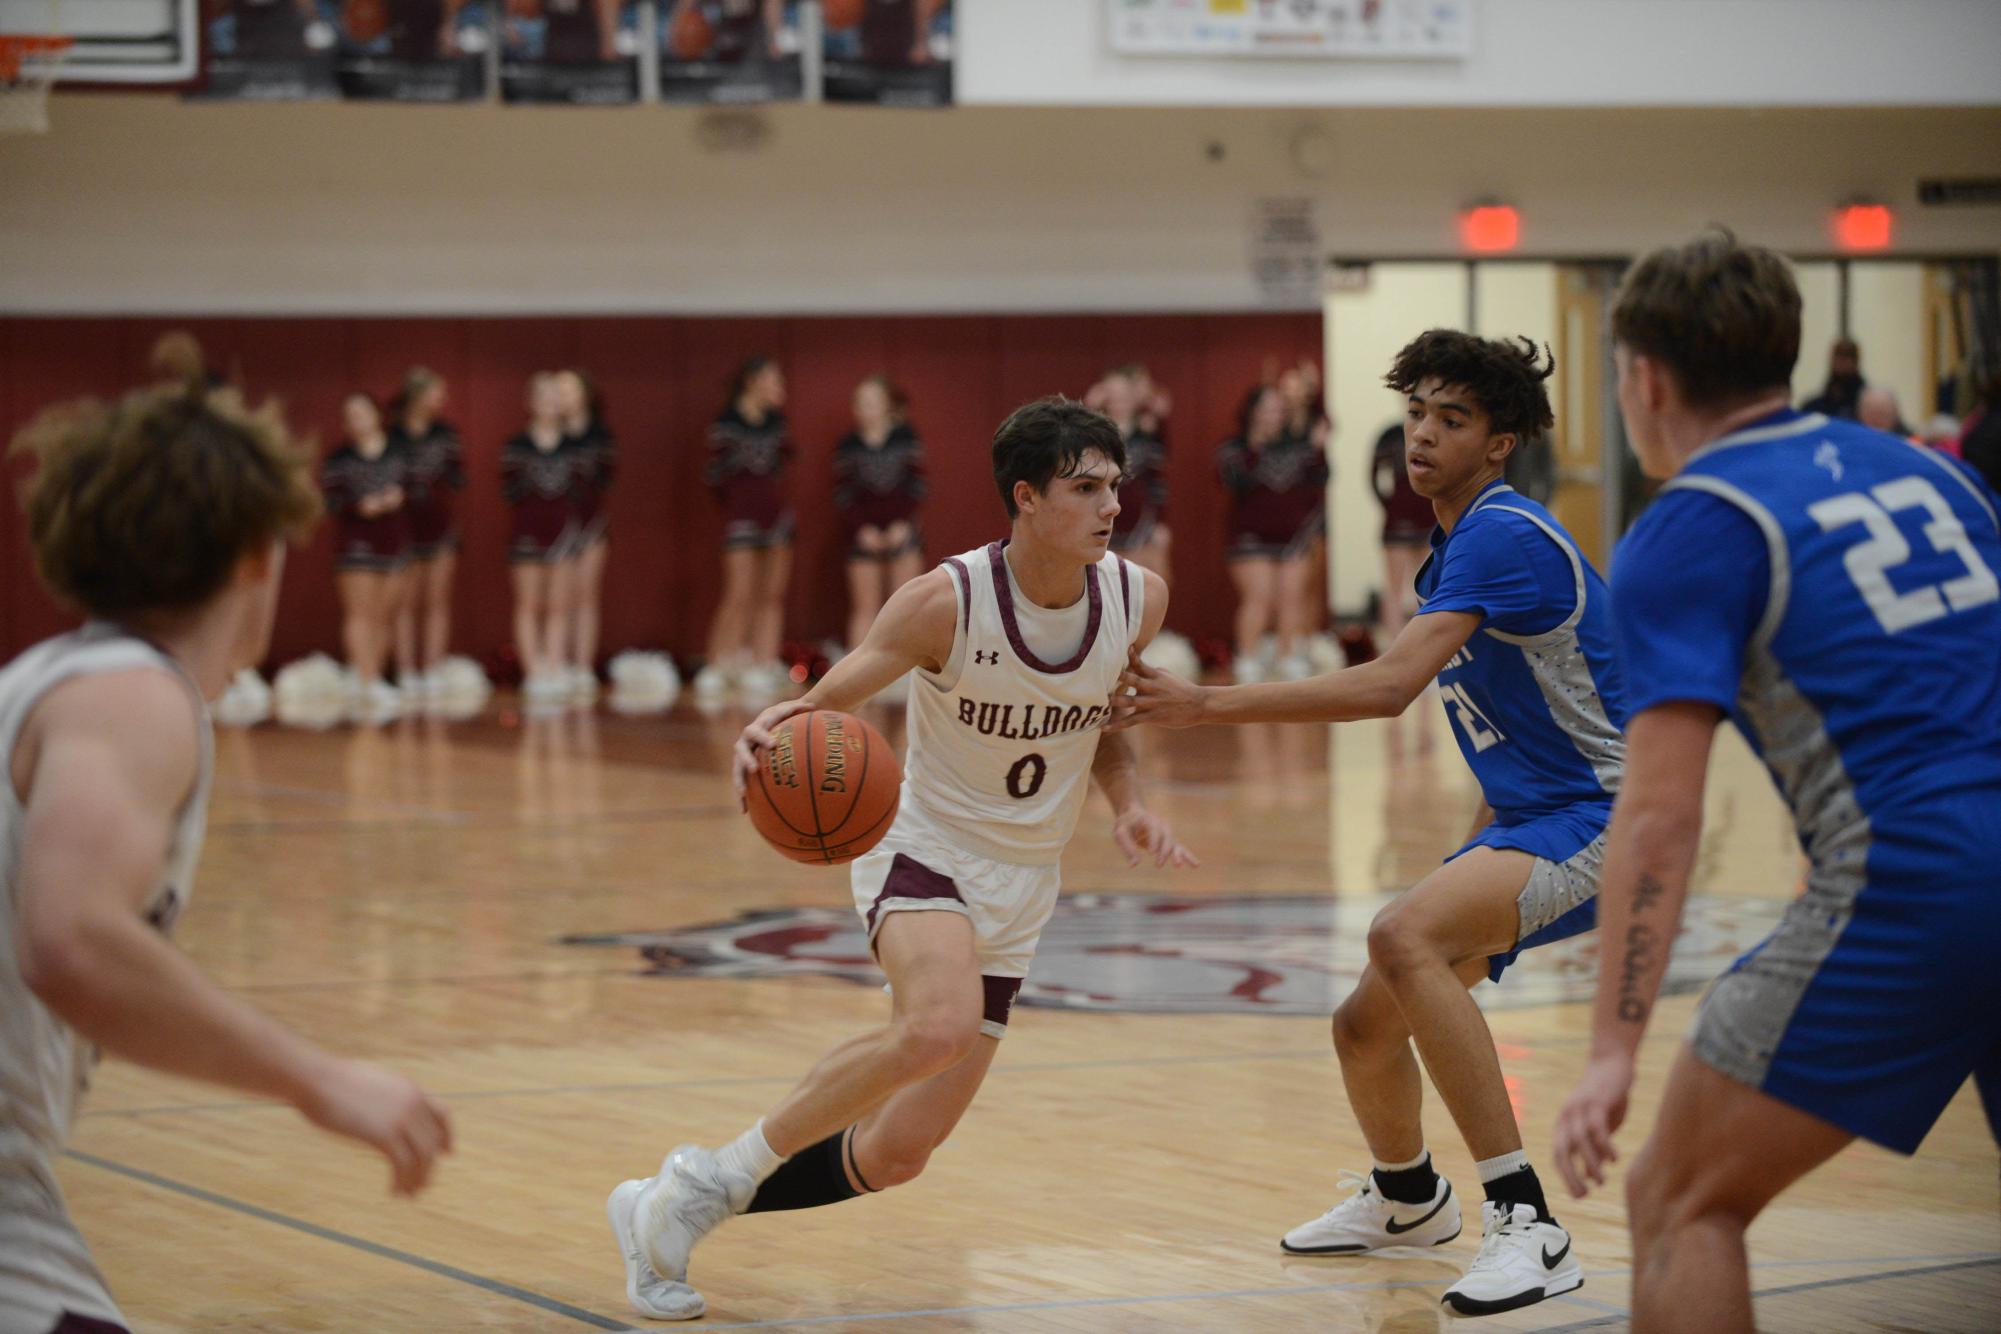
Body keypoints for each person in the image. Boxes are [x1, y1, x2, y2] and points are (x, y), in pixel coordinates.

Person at [604, 397, 1196, 1321]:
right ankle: (701, 1184)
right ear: (1027, 497)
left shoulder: (1138, 597)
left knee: (897, 1153)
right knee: (936, 1026)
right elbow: (820, 709)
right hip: (923, 847)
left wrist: (1129, 805)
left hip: (1025, 880)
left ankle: (663, 1210)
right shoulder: (942, 602)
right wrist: (769, 732)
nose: (1111, 506)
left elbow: (1108, 718)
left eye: (1116, 486)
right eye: (1086, 488)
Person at [1120, 330, 1628, 1319]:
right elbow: (1524, 726)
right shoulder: (1457, 545)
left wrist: (1207, 703)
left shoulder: (1503, 532)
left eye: (1454, 419)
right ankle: (1407, 1197)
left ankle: (1529, 1222)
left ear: (1501, 440)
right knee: (1363, 1021)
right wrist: (1476, 852)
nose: (1424, 435)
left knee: (1404, 935)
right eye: (1417, 414)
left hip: (1616, 817)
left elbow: (1393, 686)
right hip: (1542, 813)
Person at [1551, 231, 2001, 1332]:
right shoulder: (1936, 470)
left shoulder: (1692, 524)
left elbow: (1659, 816)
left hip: (1925, 879)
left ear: (1645, 380)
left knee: (1680, 1196)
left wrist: (1613, 1049)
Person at [1, 376, 450, 1334]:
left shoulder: (50, 678)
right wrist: (316, 1078)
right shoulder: (131, 695)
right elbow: (72, 941)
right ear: (256, 554)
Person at [697, 356, 794, 701]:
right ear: (752, 381)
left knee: (770, 594)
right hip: (741, 516)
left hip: (775, 517)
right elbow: (716, 477)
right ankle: (720, 662)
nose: (778, 388)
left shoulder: (777, 423)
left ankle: (761, 662)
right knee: (739, 593)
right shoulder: (726, 424)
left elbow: (781, 468)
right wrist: (738, 507)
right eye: (772, 380)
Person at [1217, 385, 1327, 683]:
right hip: (1250, 537)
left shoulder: (1298, 446)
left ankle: (1287, 655)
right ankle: (1248, 656)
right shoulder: (1234, 448)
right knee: (1259, 597)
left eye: (1279, 408)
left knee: (1292, 597)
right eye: (1268, 408)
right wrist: (1255, 445)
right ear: (1253, 412)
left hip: (1294, 536)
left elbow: (1320, 478)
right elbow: (1231, 482)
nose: (1274, 414)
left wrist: (1317, 446)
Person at [321, 392, 412, 722]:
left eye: (363, 411)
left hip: (394, 540)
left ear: (377, 415)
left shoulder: (400, 452)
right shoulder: (339, 459)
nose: (357, 419)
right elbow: (328, 501)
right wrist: (359, 505)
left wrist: (399, 497)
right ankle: (365, 679)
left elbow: (423, 489)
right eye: (350, 414)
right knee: (360, 612)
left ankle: (377, 674)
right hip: (356, 543)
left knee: (383, 614)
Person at [501, 373, 584, 705]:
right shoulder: (516, 446)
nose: (550, 404)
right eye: (543, 397)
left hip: (563, 532)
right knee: (528, 603)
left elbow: (582, 490)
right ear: (530, 402)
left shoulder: (573, 446)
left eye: (555, 398)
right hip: (527, 532)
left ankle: (554, 664)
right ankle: (533, 670)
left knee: (558, 604)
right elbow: (509, 490)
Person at [833, 374, 926, 654]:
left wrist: (902, 523)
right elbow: (843, 494)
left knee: (905, 605)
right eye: (859, 402)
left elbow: (917, 486)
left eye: (871, 402)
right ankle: (856, 674)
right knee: (866, 608)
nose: (864, 408)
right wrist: (862, 529)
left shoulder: (906, 438)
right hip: (863, 534)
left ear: (888, 406)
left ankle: (905, 669)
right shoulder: (848, 445)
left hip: (902, 531)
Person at [387, 367, 464, 701]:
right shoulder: (392, 436)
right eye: (437, 392)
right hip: (402, 526)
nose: (442, 399)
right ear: (417, 396)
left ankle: (432, 668)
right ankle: (405, 670)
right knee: (404, 602)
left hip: (438, 524)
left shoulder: (446, 433)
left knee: (437, 600)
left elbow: (457, 476)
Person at [558, 368, 615, 701]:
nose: (563, 397)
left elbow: (606, 478)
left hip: (591, 522)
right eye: (559, 391)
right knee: (560, 597)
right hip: (556, 527)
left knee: (586, 595)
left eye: (569, 390)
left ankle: (581, 666)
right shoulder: (551, 433)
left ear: (584, 395)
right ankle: (559, 663)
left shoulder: (599, 435)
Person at [1097, 368, 1171, 579]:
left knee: (1150, 587)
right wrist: (1090, 406)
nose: (1119, 401)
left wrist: (1161, 523)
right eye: (1113, 394)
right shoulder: (1095, 434)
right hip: (1103, 519)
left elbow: (1157, 481)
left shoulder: (1149, 432)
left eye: (1124, 394)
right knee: (1106, 588)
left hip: (1141, 522)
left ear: (1134, 397)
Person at [1371, 419, 1433, 645]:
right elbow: (1373, 474)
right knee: (1393, 585)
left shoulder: (1434, 433)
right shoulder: (1390, 435)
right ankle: (1393, 644)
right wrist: (1389, 505)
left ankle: (1427, 642)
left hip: (1428, 515)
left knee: (1428, 584)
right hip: (1398, 519)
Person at [1800, 336, 1866, 420]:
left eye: (1848, 356)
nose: (1842, 362)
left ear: (1856, 361)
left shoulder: (1866, 406)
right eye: (1838, 355)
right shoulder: (1813, 407)